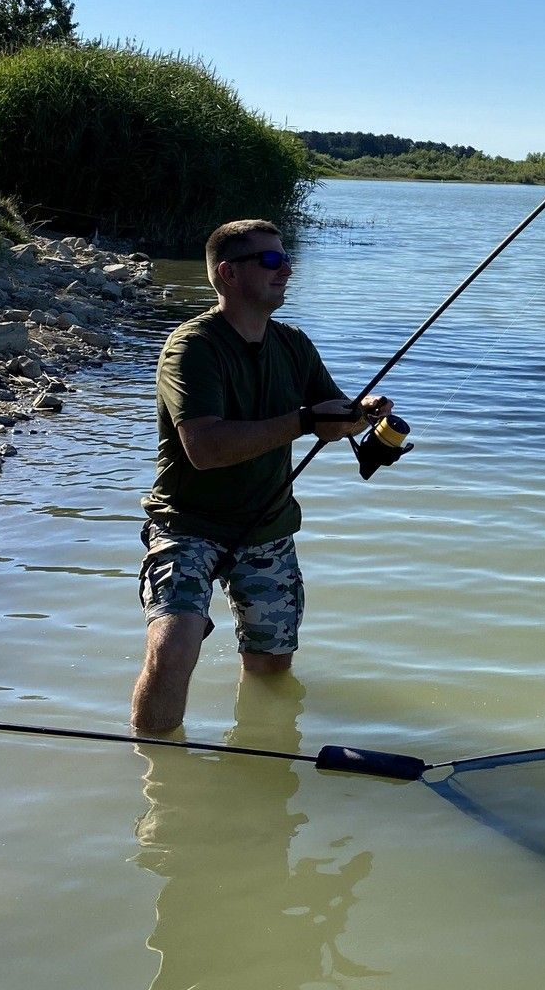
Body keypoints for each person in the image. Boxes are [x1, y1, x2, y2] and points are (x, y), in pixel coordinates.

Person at [130, 219, 392, 734]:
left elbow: (331, 419)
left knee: (272, 667)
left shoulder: (293, 344)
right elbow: (204, 449)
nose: (286, 269)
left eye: (286, 258)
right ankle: (158, 779)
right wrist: (302, 421)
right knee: (174, 644)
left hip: (268, 528)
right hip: (187, 527)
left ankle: (260, 767)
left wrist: (363, 413)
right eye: (271, 261)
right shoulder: (192, 348)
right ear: (228, 274)